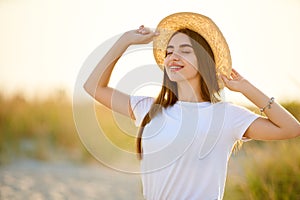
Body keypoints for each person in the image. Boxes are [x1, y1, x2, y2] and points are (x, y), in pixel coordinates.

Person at [83, 12, 300, 200]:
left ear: (204, 61)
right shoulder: (149, 108)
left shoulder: (226, 115)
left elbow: (291, 128)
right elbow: (93, 86)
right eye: (169, 52)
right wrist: (124, 41)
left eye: (185, 50)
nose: (173, 56)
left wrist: (247, 88)